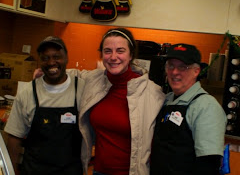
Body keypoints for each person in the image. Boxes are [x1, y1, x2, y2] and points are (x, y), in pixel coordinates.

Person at [34, 28, 166, 175]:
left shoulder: (152, 93)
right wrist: (49, 71)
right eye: (108, 51)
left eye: (120, 51)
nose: (113, 57)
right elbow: (76, 74)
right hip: (98, 171)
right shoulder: (95, 80)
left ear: (131, 55)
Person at [4, 36, 85, 175]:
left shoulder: (82, 89)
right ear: (40, 61)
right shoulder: (28, 92)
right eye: (45, 58)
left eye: (56, 57)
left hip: (71, 171)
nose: (51, 62)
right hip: (34, 170)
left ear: (66, 58)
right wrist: (9, 171)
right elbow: (14, 137)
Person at [150, 43, 227, 175]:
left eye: (182, 67)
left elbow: (209, 163)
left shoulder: (205, 106)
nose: (174, 72)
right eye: (171, 66)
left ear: (196, 71)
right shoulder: (166, 99)